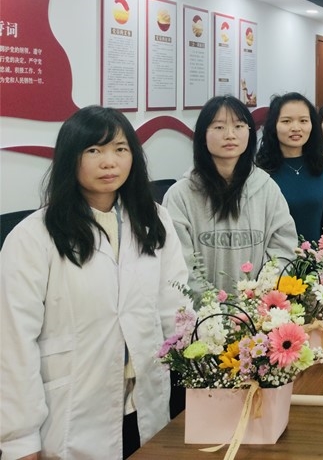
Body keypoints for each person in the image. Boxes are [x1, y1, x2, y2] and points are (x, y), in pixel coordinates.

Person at [0, 106, 189, 459]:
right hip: (71, 413)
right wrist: (19, 440)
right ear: (70, 158)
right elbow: (13, 344)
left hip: (144, 404)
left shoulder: (154, 219)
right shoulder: (33, 237)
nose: (109, 162)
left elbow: (175, 308)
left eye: (120, 149)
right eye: (93, 150)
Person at [164, 95, 297, 297]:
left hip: (258, 309)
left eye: (239, 126)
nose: (230, 135)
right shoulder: (180, 196)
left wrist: (258, 296)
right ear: (203, 135)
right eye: (219, 127)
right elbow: (179, 265)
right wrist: (212, 307)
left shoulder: (267, 188)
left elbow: (283, 248)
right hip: (201, 312)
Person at [256, 92, 323, 242]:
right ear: (274, 125)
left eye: (303, 121)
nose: (296, 128)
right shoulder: (259, 171)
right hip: (273, 255)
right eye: (286, 121)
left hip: (317, 255)